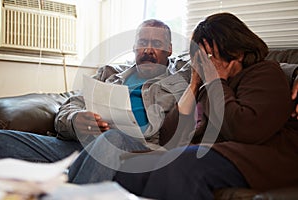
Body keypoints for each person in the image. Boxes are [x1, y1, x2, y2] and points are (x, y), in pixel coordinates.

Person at [113, 12, 298, 200]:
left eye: (209, 55)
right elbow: (169, 137)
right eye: (199, 58)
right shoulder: (206, 86)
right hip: (216, 151)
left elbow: (245, 129)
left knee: (182, 165)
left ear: (237, 52)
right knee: (128, 167)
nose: (204, 63)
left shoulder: (264, 73)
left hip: (264, 156)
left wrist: (215, 82)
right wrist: (194, 85)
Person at [0, 19, 190, 179]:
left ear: (170, 49)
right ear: (134, 47)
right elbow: (71, 105)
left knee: (113, 137)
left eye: (157, 44)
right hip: (82, 145)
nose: (148, 50)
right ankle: (75, 173)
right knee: (2, 140)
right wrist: (75, 120)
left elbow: (204, 56)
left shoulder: (180, 77)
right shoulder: (109, 74)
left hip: (133, 152)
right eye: (142, 43)